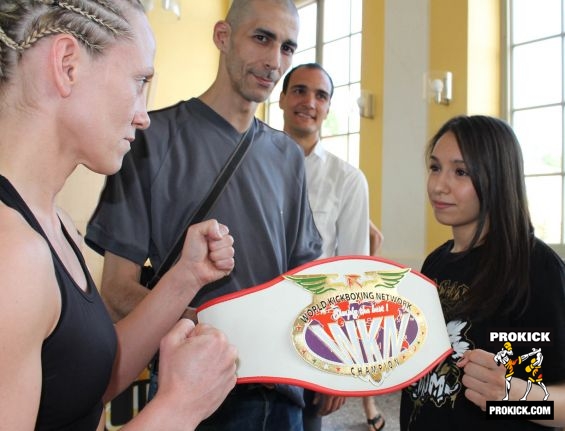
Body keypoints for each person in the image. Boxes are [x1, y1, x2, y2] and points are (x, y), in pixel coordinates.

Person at [0, 1, 238, 430]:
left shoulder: (55, 226)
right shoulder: (12, 254)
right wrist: (177, 409)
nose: (144, 116)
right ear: (67, 64)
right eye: (139, 81)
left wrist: (186, 276)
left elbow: (86, 378)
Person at [85, 1, 322, 430]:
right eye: (262, 38)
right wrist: (210, 327)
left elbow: (305, 278)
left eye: (288, 48)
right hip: (193, 390)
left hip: (283, 392)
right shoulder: (149, 140)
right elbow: (117, 290)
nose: (274, 61)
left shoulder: (287, 155)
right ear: (223, 36)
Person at [400, 115, 565, 430]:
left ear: (497, 177)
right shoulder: (435, 263)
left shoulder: (536, 269)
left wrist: (511, 394)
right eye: (435, 167)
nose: (438, 184)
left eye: (460, 172)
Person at [279, 63, 386, 431]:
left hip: (312, 331)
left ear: (327, 108)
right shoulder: (250, 163)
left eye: (320, 95)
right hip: (254, 326)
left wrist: (342, 361)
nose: (309, 101)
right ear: (281, 98)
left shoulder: (348, 180)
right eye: (299, 90)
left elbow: (355, 274)